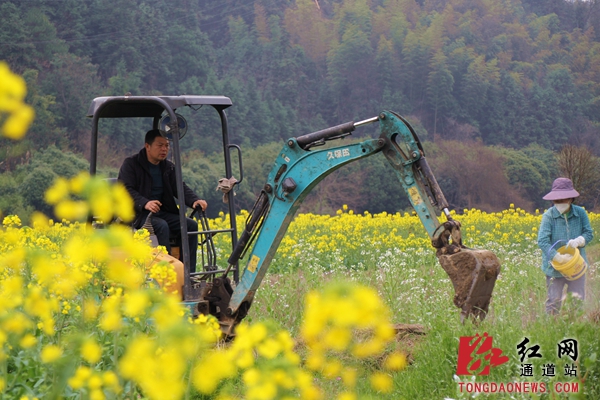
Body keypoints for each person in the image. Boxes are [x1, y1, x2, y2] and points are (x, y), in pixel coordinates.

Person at [118, 129, 207, 272]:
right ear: (147, 146)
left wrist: (194, 201)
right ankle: (168, 271)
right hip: (137, 214)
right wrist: (145, 203)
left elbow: (180, 187)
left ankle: (188, 273)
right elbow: (125, 189)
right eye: (160, 145)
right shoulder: (131, 164)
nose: (164, 149)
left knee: (190, 225)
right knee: (162, 226)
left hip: (161, 213)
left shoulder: (168, 167)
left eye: (167, 145)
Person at [537, 177, 593, 314]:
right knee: (553, 301)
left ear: (570, 199)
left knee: (577, 301)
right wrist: (557, 256)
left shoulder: (580, 213)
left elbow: (589, 233)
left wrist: (580, 240)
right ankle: (551, 330)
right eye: (557, 200)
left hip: (577, 265)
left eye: (563, 199)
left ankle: (574, 329)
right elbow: (542, 241)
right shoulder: (549, 216)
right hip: (555, 267)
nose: (560, 203)